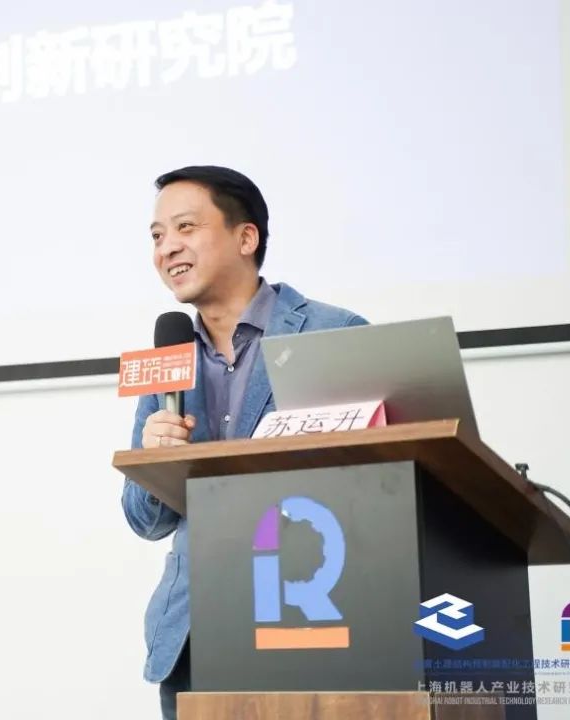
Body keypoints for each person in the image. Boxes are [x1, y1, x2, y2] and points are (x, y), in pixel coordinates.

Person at [120, 166, 368, 720]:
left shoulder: (334, 333)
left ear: (246, 237)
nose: (167, 247)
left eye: (185, 227)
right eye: (157, 235)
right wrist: (154, 461)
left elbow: (380, 482)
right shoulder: (168, 360)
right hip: (195, 634)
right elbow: (144, 521)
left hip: (314, 616)